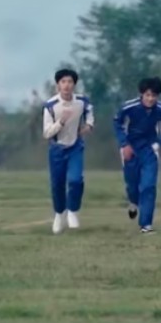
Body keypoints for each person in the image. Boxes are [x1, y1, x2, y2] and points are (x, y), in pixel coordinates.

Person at [112, 77, 161, 234]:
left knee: (148, 185)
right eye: (148, 95)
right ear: (142, 94)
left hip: (150, 148)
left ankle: (146, 224)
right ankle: (133, 202)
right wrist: (124, 144)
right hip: (130, 148)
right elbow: (117, 124)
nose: (151, 99)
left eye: (154, 95)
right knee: (132, 184)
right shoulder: (128, 107)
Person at [42, 68, 94, 235]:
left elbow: (89, 112)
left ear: (74, 84)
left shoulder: (81, 101)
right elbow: (46, 133)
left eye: (70, 82)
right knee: (57, 185)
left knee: (76, 180)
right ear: (58, 85)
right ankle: (59, 213)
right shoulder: (50, 105)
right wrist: (61, 122)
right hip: (57, 149)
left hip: (75, 147)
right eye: (63, 82)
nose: (66, 85)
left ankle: (73, 210)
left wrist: (89, 126)